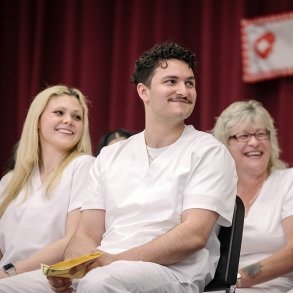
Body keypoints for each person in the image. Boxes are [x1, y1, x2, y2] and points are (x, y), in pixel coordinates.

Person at [0, 42, 237, 293]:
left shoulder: (209, 151)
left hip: (174, 272)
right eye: (171, 82)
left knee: (100, 283)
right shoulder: (110, 156)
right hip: (103, 268)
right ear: (143, 91)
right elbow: (87, 234)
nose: (184, 90)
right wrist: (70, 268)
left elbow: (193, 235)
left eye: (189, 83)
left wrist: (114, 261)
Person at [0, 85, 94, 280]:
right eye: (59, 112)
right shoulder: (9, 181)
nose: (68, 120)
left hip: (52, 278)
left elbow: (74, 240)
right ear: (37, 120)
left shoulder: (83, 166)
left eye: (77, 117)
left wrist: (11, 271)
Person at [212, 100, 293, 292]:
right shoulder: (215, 192)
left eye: (260, 134)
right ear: (225, 144)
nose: (254, 142)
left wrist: (235, 279)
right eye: (243, 135)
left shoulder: (288, 181)